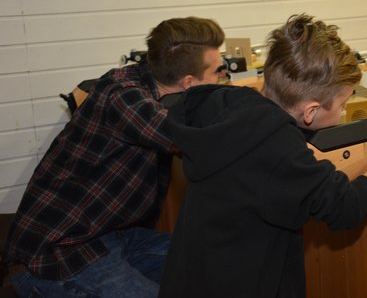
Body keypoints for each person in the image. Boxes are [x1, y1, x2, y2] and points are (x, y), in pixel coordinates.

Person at [158, 14, 367, 298]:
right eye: (342, 104)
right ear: (311, 111)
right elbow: (346, 208)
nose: (344, 111)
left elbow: (294, 157)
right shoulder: (276, 149)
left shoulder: (233, 106)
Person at [4, 16, 227, 298]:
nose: (223, 78)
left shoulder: (150, 83)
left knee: (217, 265)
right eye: (219, 71)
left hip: (110, 236)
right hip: (55, 254)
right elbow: (195, 141)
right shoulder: (122, 95)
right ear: (189, 82)